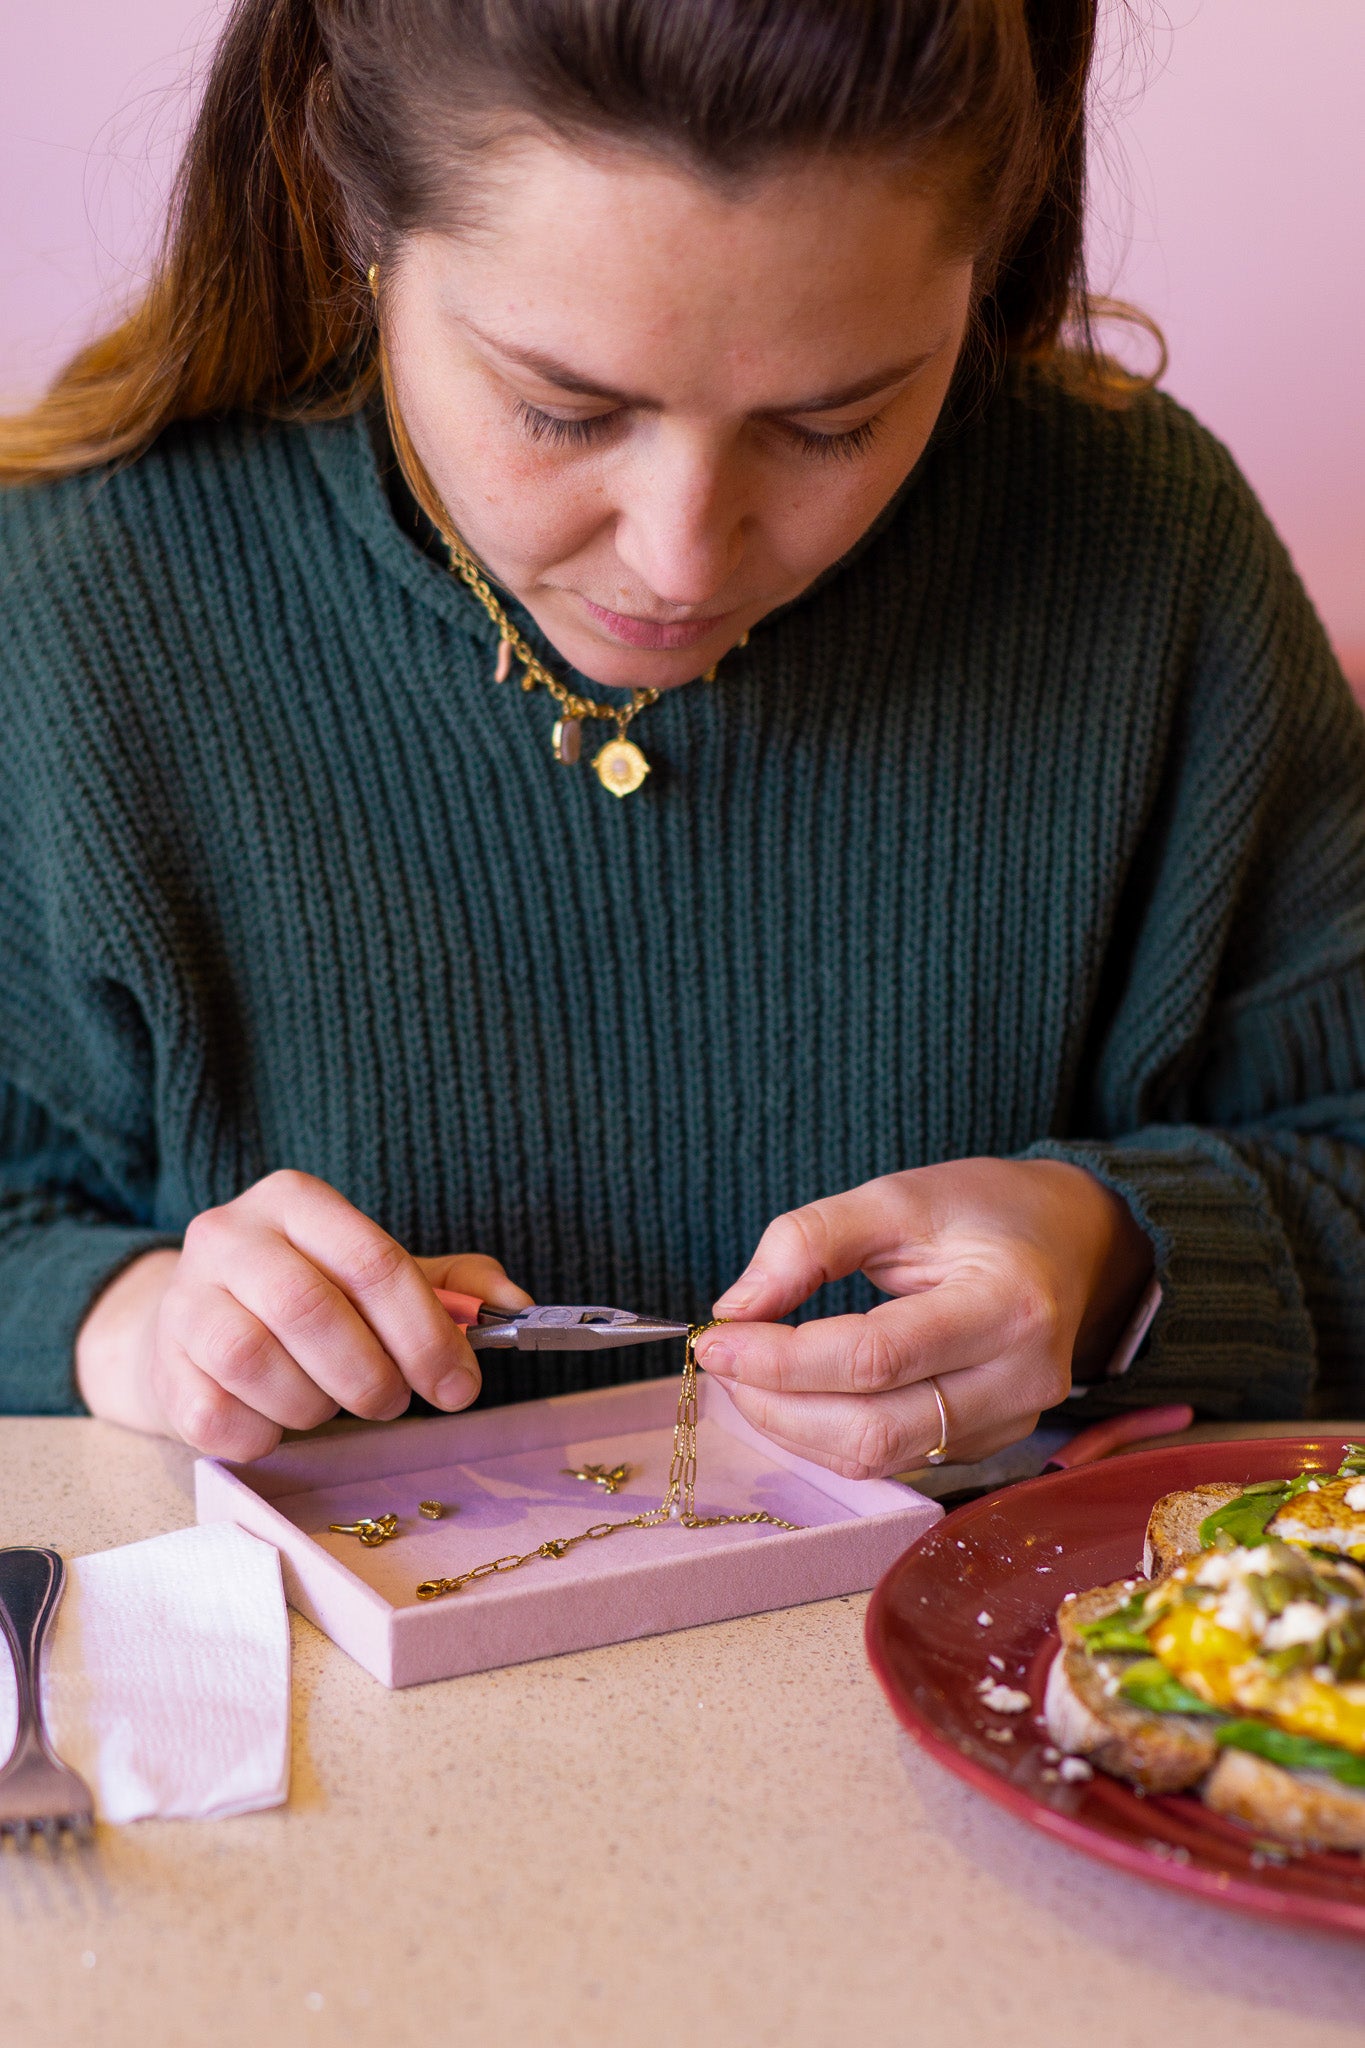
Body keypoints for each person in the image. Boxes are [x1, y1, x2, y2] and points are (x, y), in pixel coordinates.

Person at [2, 0, 1362, 1481]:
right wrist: (136, 1326)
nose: (680, 560)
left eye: (832, 424)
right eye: (560, 409)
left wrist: (1113, 1266)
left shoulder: (1148, 559)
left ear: (981, 266)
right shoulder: (82, 602)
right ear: (358, 220)